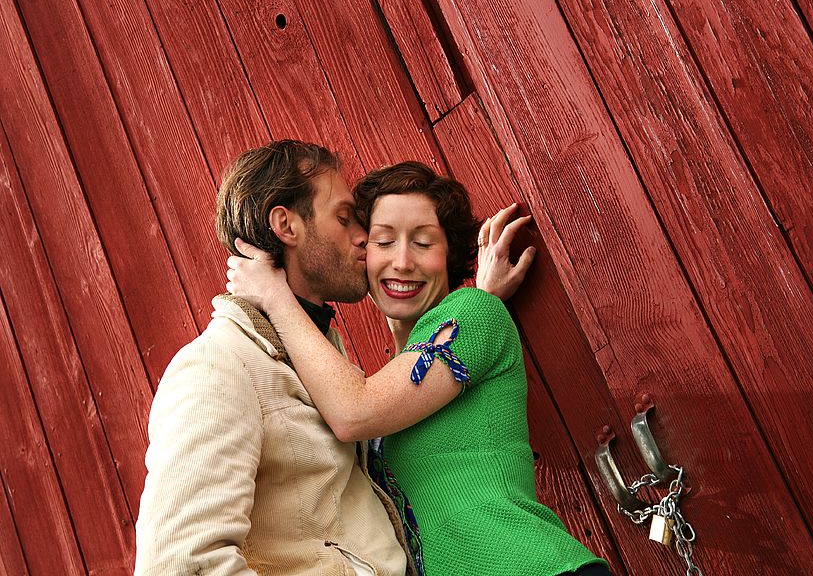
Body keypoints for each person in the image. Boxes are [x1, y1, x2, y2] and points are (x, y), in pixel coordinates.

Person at [133, 140, 525, 576]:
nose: (363, 238)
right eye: (344, 218)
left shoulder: (324, 371)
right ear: (287, 225)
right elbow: (180, 564)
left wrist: (475, 309)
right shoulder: (219, 366)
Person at [227, 161, 612, 576]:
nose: (403, 261)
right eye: (384, 241)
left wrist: (274, 296)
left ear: (450, 255)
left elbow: (355, 412)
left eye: (425, 243)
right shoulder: (402, 374)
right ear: (362, 253)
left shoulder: (474, 314)